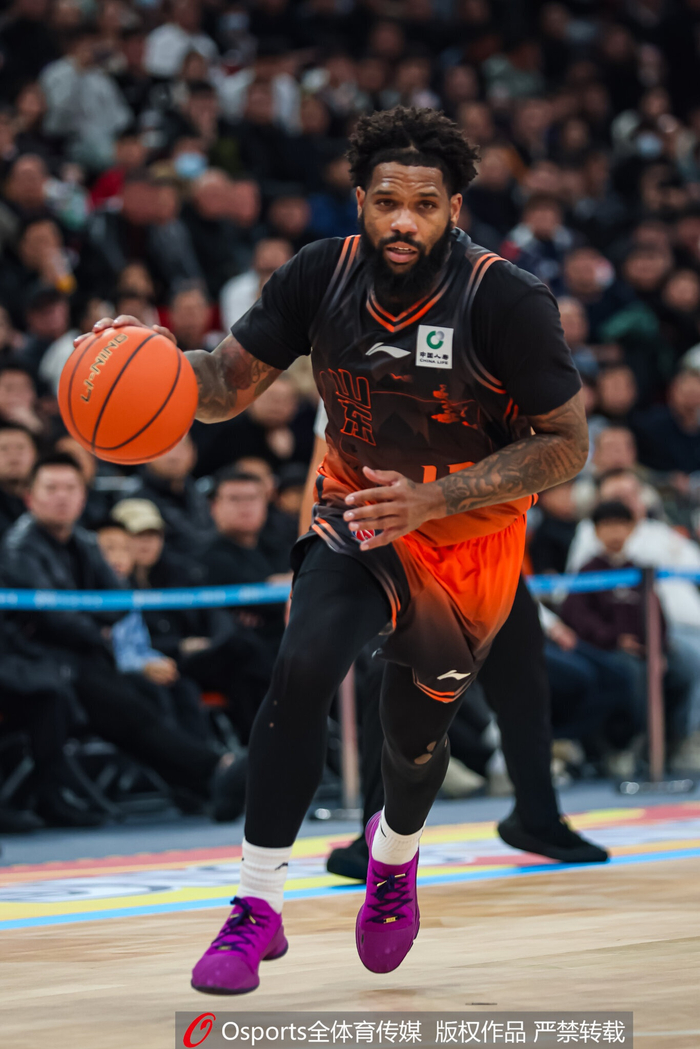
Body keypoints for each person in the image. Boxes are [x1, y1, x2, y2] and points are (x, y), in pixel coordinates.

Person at [79, 106, 589, 995]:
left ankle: (394, 857)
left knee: (413, 741)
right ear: (360, 201)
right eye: (386, 201)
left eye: (423, 205)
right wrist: (147, 359)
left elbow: (566, 444)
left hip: (468, 543)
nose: (403, 220)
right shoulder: (321, 273)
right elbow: (222, 385)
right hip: (355, 513)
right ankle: (256, 904)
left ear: (454, 209)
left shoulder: (507, 299)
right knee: (303, 667)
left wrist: (436, 496)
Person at [0, 453, 245, 819]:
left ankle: (201, 784)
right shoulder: (19, 548)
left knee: (160, 692)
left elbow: (119, 601)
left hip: (83, 656)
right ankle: (212, 770)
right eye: (51, 488)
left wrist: (91, 624)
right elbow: (53, 619)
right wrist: (95, 628)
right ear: (30, 498)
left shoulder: (85, 542)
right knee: (126, 707)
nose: (61, 496)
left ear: (83, 497)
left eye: (70, 488)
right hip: (37, 663)